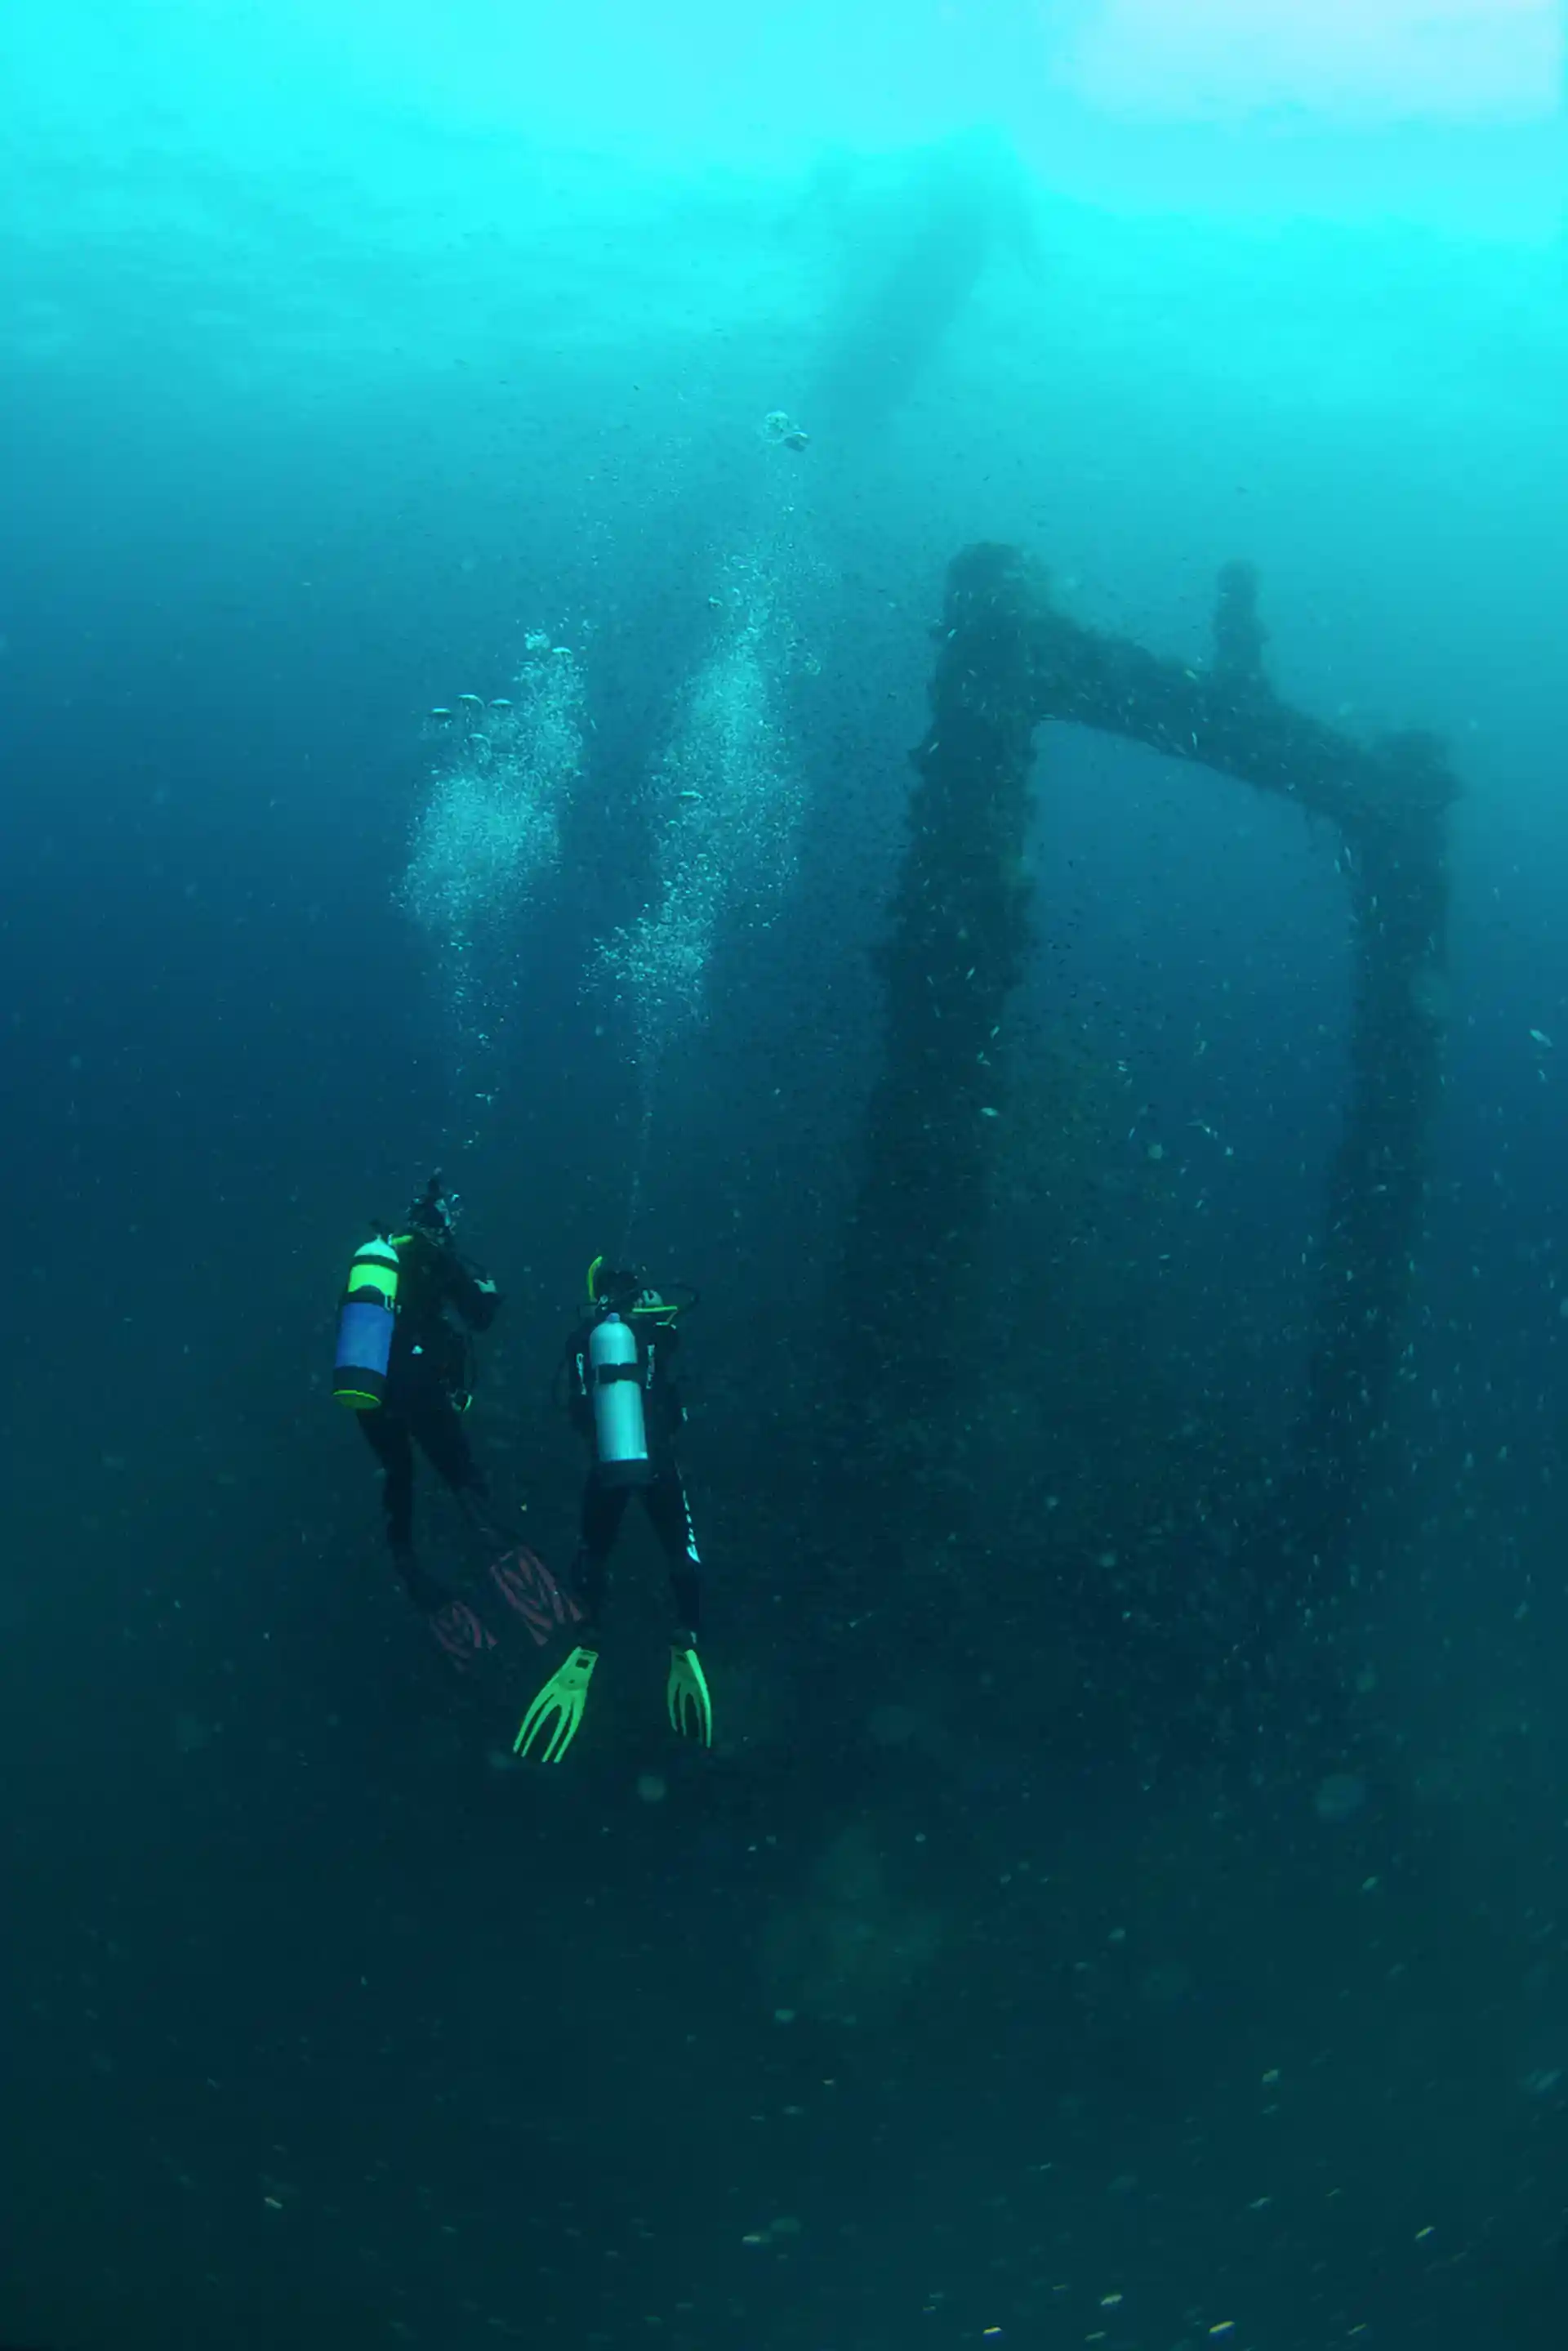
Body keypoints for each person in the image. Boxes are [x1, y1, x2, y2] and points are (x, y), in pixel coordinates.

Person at [513, 1258, 711, 1761]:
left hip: (606, 1467)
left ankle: (588, 1634)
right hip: (658, 1465)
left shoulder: (583, 1337)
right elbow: (673, 1363)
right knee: (679, 1549)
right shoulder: (652, 1330)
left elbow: (578, 1411)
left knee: (593, 1550)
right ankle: (687, 1631)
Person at [348, 1176, 502, 1613]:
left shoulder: (383, 1258)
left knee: (399, 1472)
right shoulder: (436, 1256)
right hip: (415, 1383)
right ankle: (497, 1546)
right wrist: (489, 1295)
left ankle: (404, 1556)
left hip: (369, 1383)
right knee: (458, 1467)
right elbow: (478, 1317)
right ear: (441, 1228)